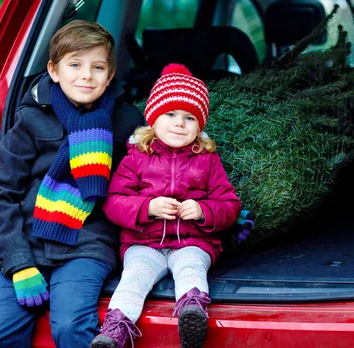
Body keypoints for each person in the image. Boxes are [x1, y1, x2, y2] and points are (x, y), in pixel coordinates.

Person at [0, 20, 144, 348]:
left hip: (88, 243)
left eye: (98, 67)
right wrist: (19, 263)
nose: (86, 76)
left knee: (70, 326)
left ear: (110, 75)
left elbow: (141, 183)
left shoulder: (127, 122)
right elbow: (2, 194)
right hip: (30, 241)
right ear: (54, 70)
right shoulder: (31, 118)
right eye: (75, 65)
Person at [90, 64, 241, 348]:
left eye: (189, 118)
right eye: (170, 114)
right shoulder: (136, 157)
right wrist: (148, 207)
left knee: (192, 268)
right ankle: (114, 331)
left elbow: (230, 205)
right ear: (153, 119)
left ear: (200, 125)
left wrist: (203, 210)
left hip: (194, 241)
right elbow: (113, 203)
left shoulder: (207, 160)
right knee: (134, 278)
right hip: (144, 243)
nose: (179, 123)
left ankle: (192, 313)